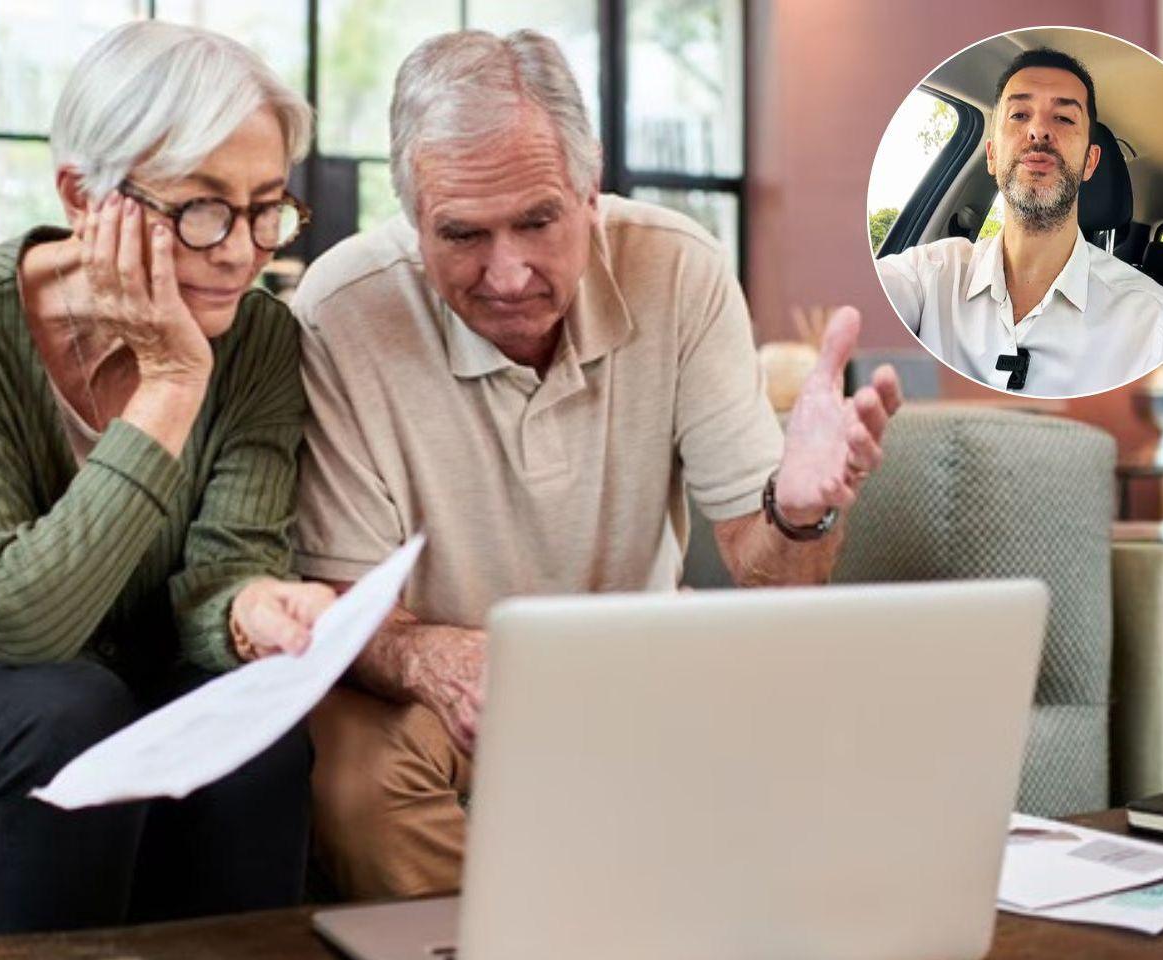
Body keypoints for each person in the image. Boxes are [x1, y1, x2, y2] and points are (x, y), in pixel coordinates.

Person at [291, 28, 902, 899]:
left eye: (538, 221)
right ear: (412, 214)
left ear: (591, 187)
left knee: (829, 736)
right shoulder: (340, 311)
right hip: (431, 692)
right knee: (355, 782)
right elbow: (349, 611)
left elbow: (774, 579)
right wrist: (442, 662)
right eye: (462, 234)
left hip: (636, 660)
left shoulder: (680, 268)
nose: (507, 275)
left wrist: (799, 511)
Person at [0, 21, 334, 934]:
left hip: (121, 675)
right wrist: (169, 381)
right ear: (83, 195)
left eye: (267, 206)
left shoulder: (264, 338)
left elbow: (222, 570)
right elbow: (16, 618)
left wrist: (247, 613)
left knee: (258, 736)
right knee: (70, 709)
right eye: (203, 209)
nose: (242, 250)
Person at [876, 47, 1163, 396]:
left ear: (1090, 162)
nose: (1039, 130)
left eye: (1064, 118)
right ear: (993, 155)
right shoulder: (926, 276)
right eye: (1018, 115)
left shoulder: (1156, 328)